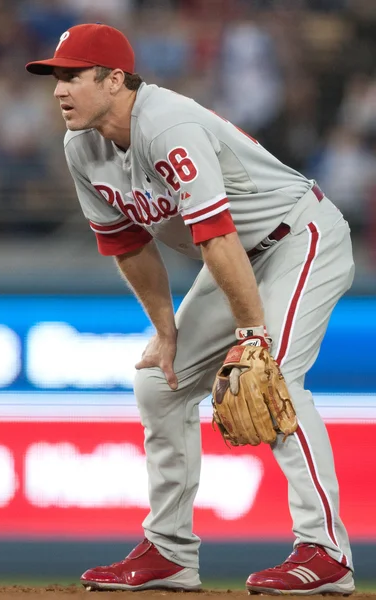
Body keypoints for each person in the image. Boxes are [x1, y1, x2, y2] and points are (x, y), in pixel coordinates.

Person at [26, 23, 355, 595]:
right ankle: (170, 552)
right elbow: (128, 245)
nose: (59, 89)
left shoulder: (166, 124)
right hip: (236, 256)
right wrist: (166, 331)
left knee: (270, 376)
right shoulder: (81, 146)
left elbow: (215, 235)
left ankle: (327, 553)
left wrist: (252, 332)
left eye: (73, 75)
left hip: (299, 238)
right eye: (56, 77)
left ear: (114, 79)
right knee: (161, 383)